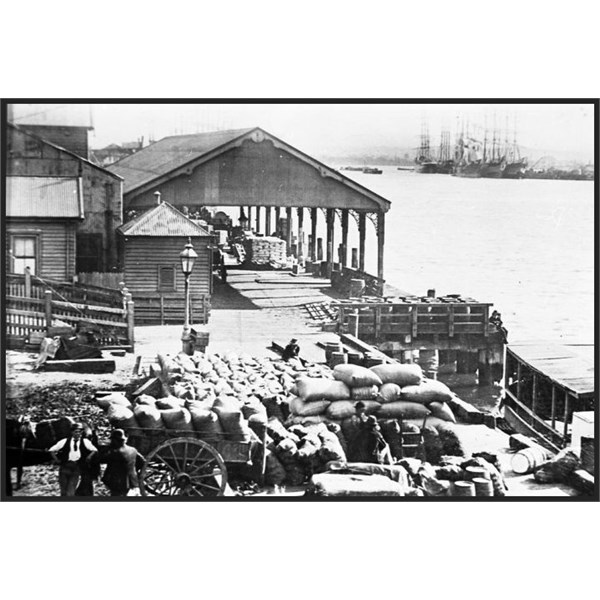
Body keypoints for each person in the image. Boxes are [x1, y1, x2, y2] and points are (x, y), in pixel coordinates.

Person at [49, 422, 98, 497]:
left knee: (71, 492)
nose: (78, 434)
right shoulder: (65, 441)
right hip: (65, 467)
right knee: (63, 491)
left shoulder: (85, 441)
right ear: (72, 432)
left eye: (80, 432)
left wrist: (89, 456)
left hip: (76, 468)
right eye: (76, 432)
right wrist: (56, 460)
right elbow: (51, 450)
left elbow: (95, 450)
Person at [101, 429, 145, 496]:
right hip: (131, 481)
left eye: (112, 440)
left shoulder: (114, 452)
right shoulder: (133, 450)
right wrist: (132, 470)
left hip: (116, 482)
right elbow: (143, 462)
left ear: (115, 440)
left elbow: (101, 460)